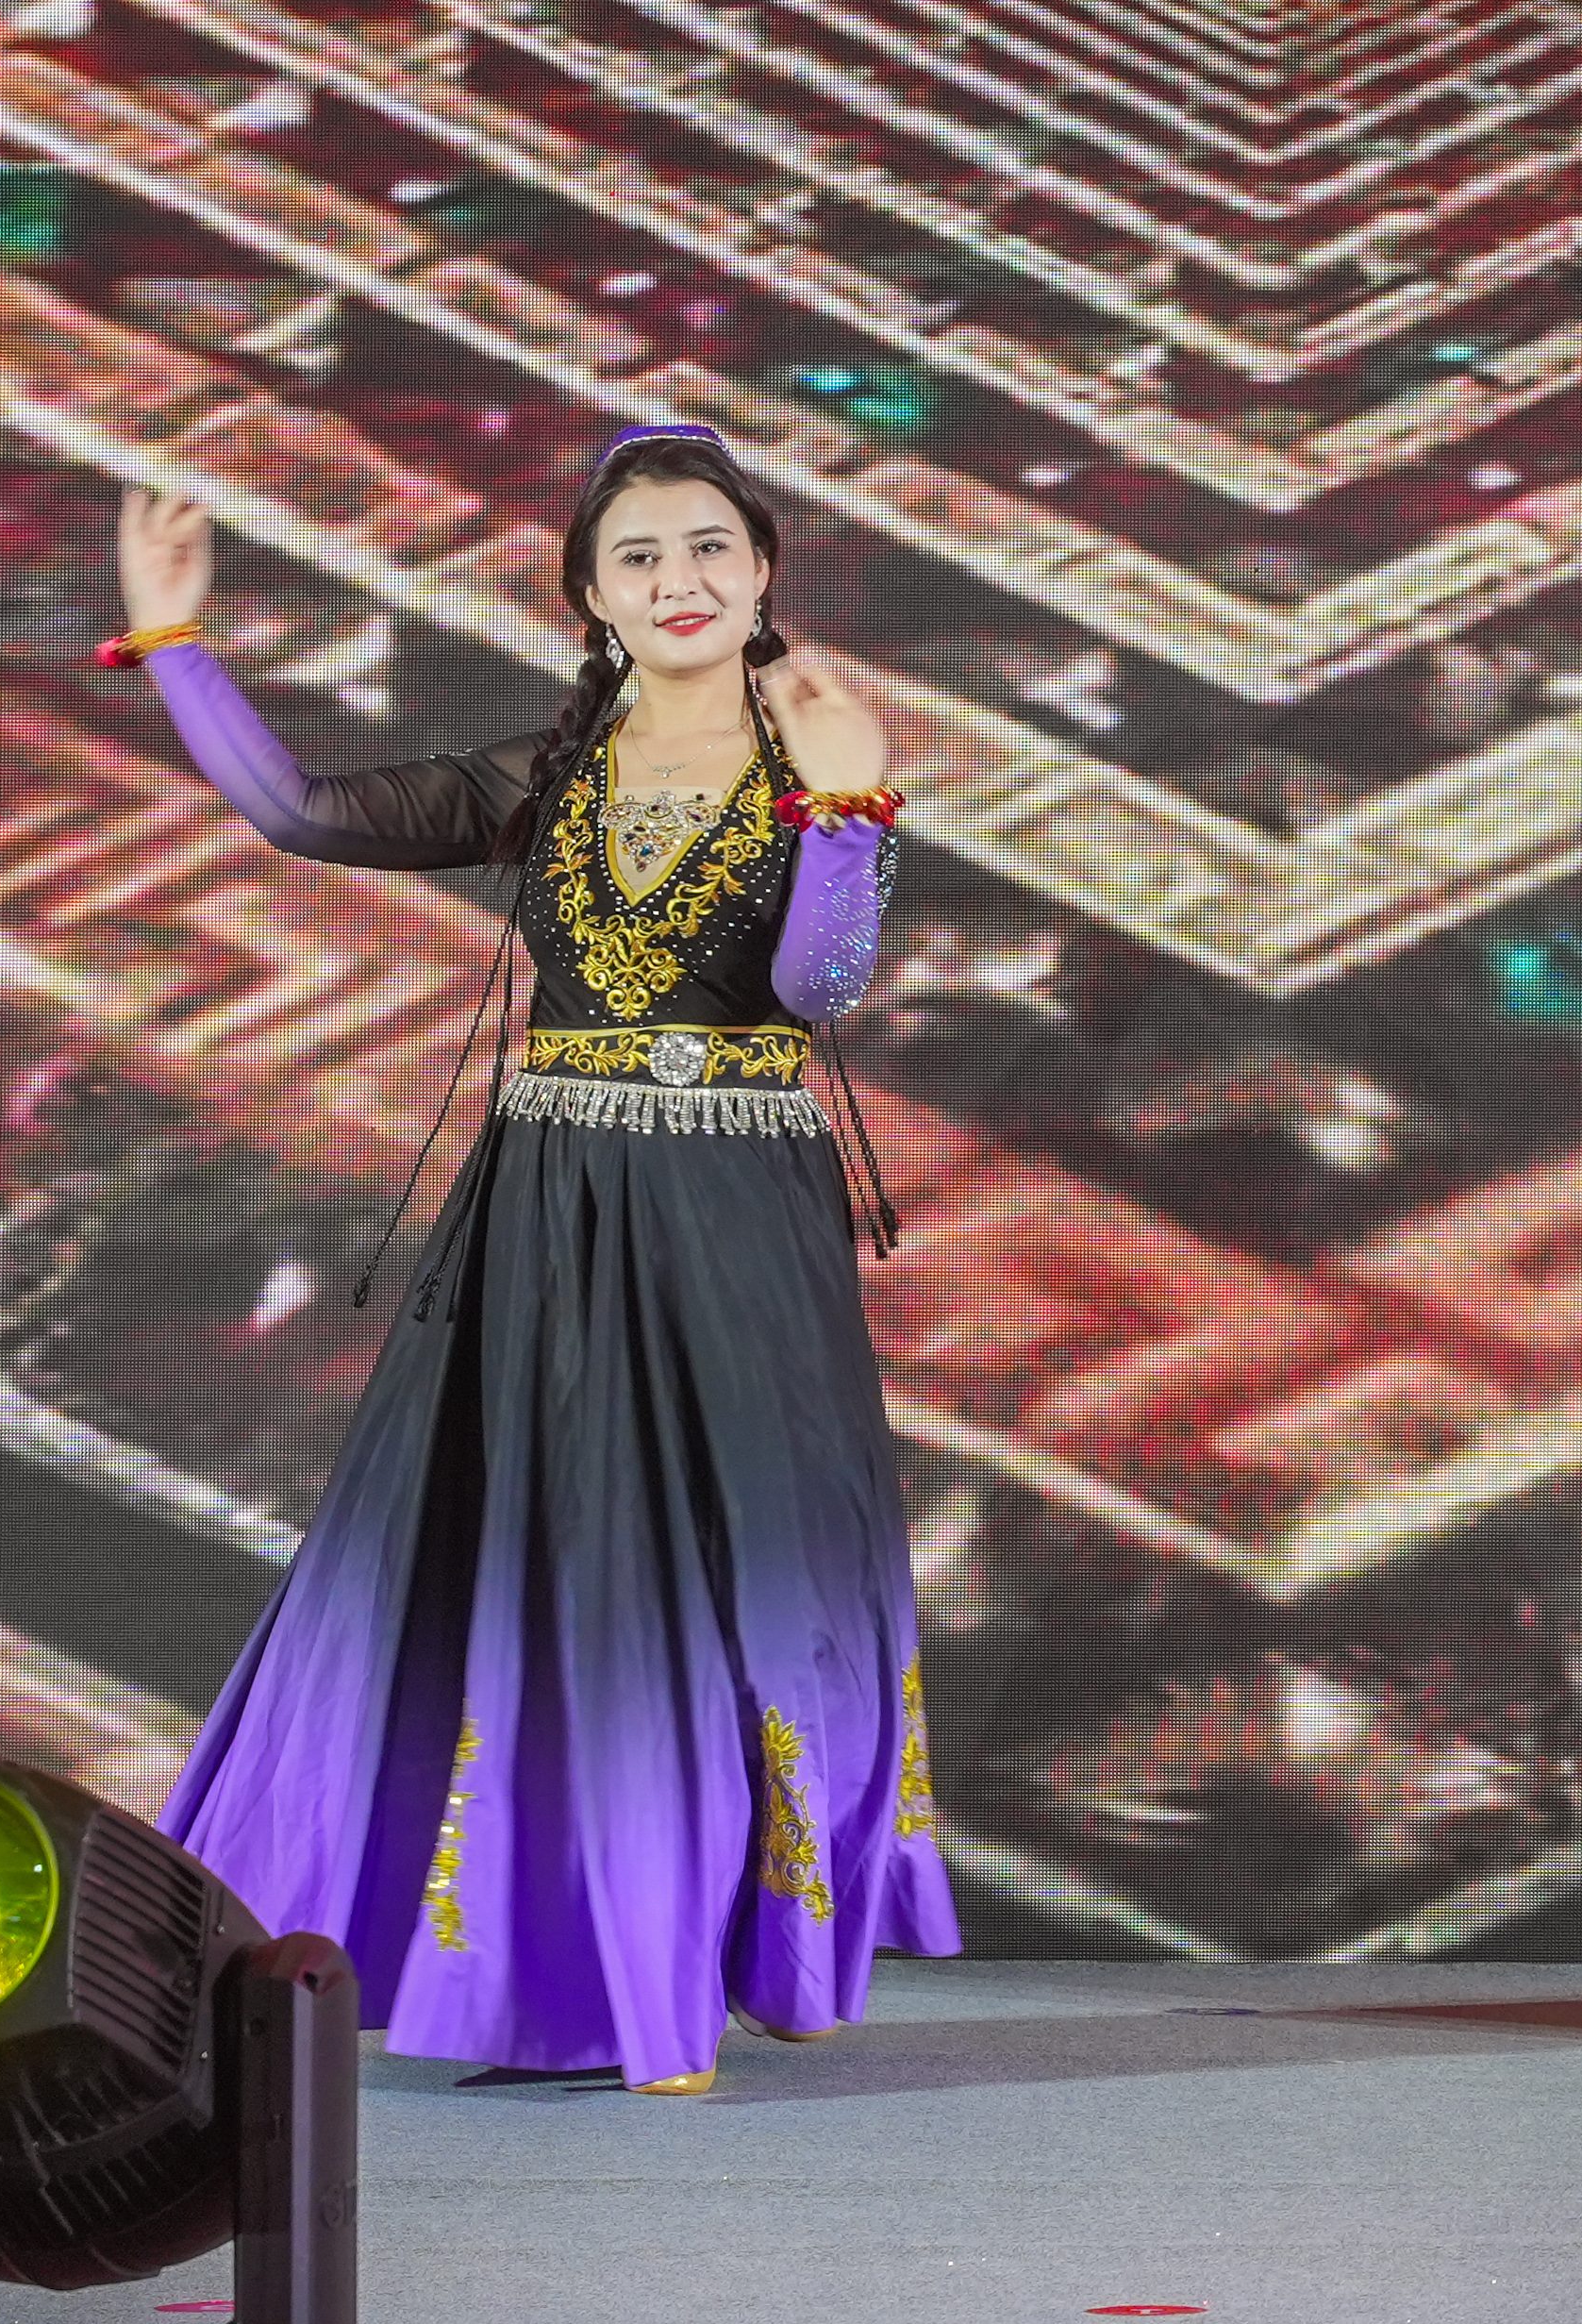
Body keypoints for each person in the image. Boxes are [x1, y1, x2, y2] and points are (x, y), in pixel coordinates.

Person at [106, 424, 958, 2095]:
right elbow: (300, 812)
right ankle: (593, 1961)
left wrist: (850, 811)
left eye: (707, 549)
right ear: (591, 599)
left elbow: (819, 987)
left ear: (761, 570)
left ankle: (730, 1944)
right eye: (639, 559)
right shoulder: (544, 773)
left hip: (739, 1210)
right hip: (551, 1210)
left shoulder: (818, 753)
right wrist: (177, 642)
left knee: (746, 1563)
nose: (678, 581)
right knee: (561, 1562)